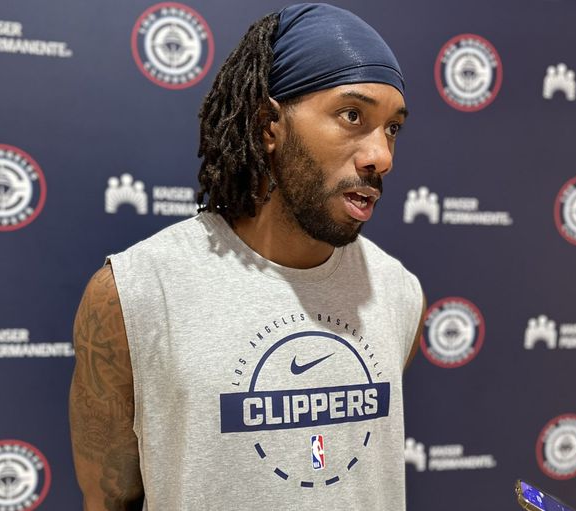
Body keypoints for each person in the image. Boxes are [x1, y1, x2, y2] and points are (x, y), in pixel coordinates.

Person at [69, 3, 425, 510]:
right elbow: (107, 500)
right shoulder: (136, 293)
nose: (381, 157)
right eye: (352, 116)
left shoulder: (398, 292)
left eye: (392, 128)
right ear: (268, 125)